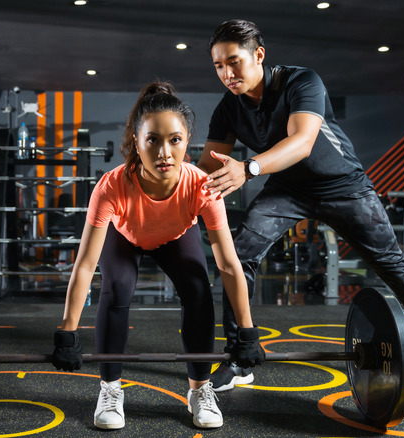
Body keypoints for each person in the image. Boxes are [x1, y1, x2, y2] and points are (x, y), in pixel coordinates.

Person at [196, 19, 404, 395]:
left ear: (258, 55)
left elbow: (302, 142)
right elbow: (207, 168)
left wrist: (248, 168)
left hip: (343, 185)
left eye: (234, 62)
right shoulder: (228, 109)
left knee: (394, 269)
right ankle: (240, 355)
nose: (227, 73)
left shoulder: (301, 81)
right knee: (238, 254)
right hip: (287, 189)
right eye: (218, 66)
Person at [51, 81, 266, 430]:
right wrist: (67, 332)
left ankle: (199, 389)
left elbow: (228, 263)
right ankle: (110, 389)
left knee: (198, 289)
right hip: (125, 236)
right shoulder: (111, 186)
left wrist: (247, 331)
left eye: (175, 140)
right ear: (137, 143)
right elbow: (86, 264)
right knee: (116, 287)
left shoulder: (202, 187)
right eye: (153, 140)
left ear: (187, 141)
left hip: (175, 237)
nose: (165, 152)